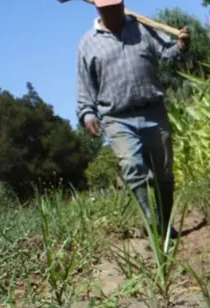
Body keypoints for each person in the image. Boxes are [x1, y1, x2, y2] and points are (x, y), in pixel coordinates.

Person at [76, 0, 190, 241]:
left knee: (164, 174)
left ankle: (165, 225)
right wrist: (87, 114)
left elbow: (166, 52)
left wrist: (180, 45)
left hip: (154, 112)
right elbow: (85, 87)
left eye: (116, 5)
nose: (113, 10)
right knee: (132, 167)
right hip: (117, 118)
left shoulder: (143, 29)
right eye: (107, 7)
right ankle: (152, 224)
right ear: (98, 9)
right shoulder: (88, 44)